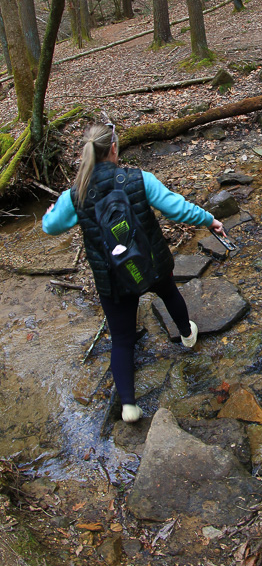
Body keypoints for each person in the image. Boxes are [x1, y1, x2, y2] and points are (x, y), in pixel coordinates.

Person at [42, 123, 226, 423]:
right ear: (114, 147)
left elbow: (51, 227)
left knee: (122, 339)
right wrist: (209, 220)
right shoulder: (139, 178)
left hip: (113, 277)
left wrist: (50, 212)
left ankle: (129, 406)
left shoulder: (75, 194)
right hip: (151, 264)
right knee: (169, 293)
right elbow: (175, 208)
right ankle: (186, 335)